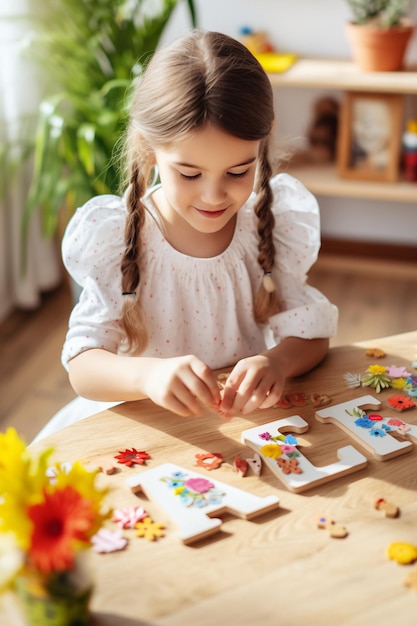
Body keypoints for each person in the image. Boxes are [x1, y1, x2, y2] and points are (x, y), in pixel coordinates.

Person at [34, 29, 338, 441]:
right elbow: (83, 366)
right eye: (189, 173)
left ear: (263, 140)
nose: (214, 196)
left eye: (237, 172)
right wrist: (147, 376)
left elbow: (312, 331)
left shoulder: (266, 226)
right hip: (146, 435)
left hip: (233, 434)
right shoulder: (117, 237)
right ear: (148, 148)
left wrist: (277, 362)